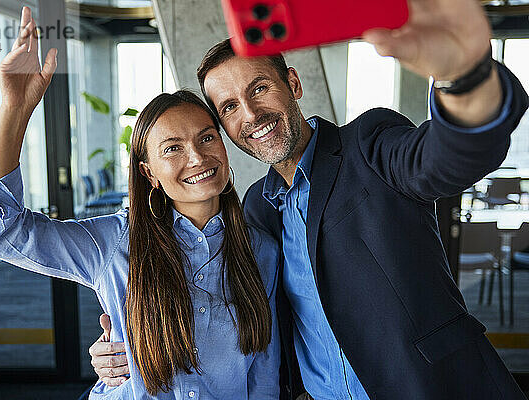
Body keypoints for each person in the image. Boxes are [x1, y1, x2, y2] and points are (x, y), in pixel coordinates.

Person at [89, 0, 529, 398]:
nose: (251, 114)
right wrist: (127, 340)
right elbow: (230, 311)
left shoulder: (368, 145)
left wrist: (464, 76)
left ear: (294, 84)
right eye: (229, 107)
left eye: (259, 88)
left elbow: (445, 158)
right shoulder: (257, 210)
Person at [0, 7, 281, 399]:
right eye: (173, 148)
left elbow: (263, 375)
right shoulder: (115, 241)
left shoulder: (260, 249)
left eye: (206, 138)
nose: (197, 158)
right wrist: (15, 108)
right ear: (149, 173)